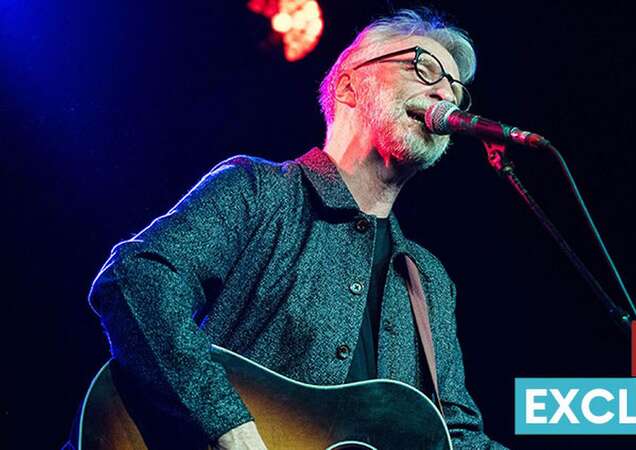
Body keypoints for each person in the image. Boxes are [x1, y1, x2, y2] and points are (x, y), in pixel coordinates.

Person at [86, 8, 507, 450]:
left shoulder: (431, 283)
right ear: (349, 85)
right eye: (424, 67)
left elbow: (459, 436)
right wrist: (228, 427)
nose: (446, 92)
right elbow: (139, 276)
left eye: (457, 89)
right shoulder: (258, 191)